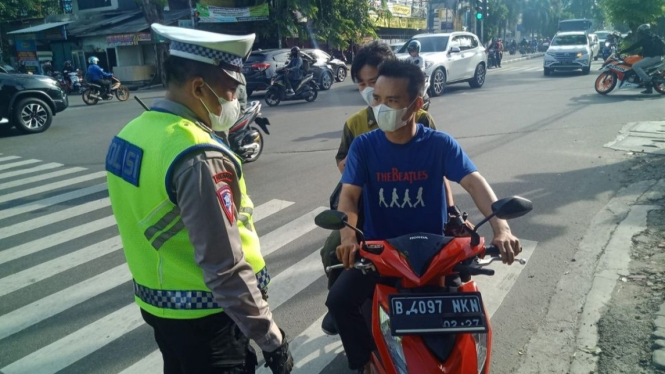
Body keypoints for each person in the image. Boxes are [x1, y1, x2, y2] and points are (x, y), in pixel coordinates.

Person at [105, 23, 293, 374]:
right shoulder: (197, 154)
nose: (235, 99)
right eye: (232, 89)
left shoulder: (131, 134)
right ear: (198, 87)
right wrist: (272, 339)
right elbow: (224, 267)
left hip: (161, 311)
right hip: (210, 324)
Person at [326, 60, 521, 373]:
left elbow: (474, 182)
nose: (381, 107)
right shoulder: (364, 146)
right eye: (377, 99)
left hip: (436, 257)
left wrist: (502, 227)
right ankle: (363, 361)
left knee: (467, 309)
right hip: (382, 254)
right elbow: (349, 195)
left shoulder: (439, 144)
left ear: (415, 105)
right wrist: (349, 236)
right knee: (339, 300)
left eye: (392, 101)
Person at [319, 40, 466, 337]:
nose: (370, 92)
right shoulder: (357, 127)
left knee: (459, 288)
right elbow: (347, 182)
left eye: (372, 81)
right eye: (365, 86)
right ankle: (359, 352)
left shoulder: (426, 126)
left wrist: (453, 213)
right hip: (365, 207)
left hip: (423, 231)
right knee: (333, 251)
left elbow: (439, 174)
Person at [620, 24, 665, 94]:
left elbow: (635, 46)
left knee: (635, 66)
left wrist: (623, 51)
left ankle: (647, 80)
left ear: (643, 31)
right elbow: (648, 48)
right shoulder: (654, 37)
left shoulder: (646, 38)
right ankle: (648, 89)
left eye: (640, 32)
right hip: (657, 57)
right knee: (643, 69)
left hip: (652, 58)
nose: (639, 34)